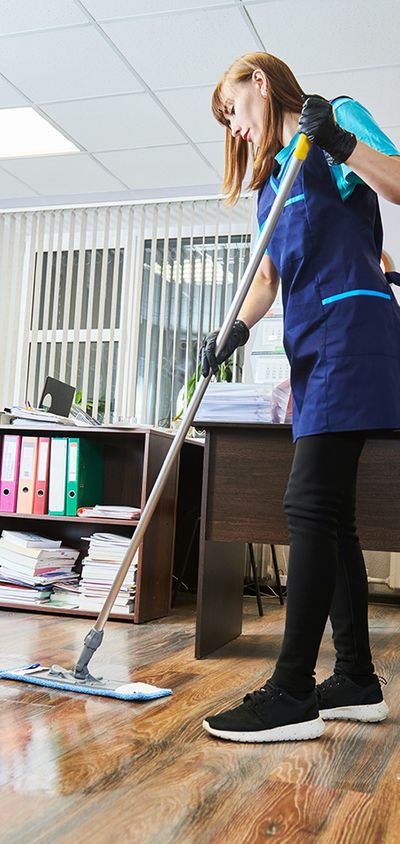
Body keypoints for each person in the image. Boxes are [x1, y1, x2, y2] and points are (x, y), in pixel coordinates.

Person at [200, 52, 400, 743]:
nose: (235, 128)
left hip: (354, 331)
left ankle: (291, 691)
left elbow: (399, 184)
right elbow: (266, 281)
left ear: (259, 81)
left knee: (308, 504)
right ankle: (355, 679)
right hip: (311, 353)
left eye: (233, 109)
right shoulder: (270, 185)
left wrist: (344, 144)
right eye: (225, 124)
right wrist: (231, 332)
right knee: (331, 514)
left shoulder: (335, 119)